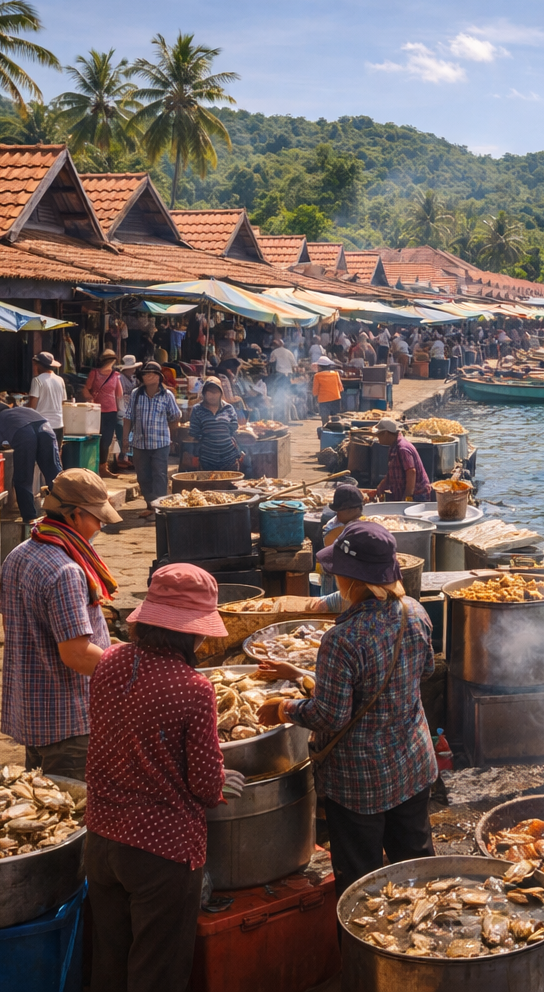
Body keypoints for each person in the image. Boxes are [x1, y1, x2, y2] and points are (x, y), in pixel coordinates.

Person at [85, 564, 246, 992]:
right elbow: (206, 786)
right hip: (158, 850)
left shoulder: (111, 661)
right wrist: (221, 782)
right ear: (193, 632)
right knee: (157, 970)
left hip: (101, 838)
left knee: (110, 962)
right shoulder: (193, 687)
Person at [256, 521, 436, 893]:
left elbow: (330, 715)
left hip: (361, 784)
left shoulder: (342, 638)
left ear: (353, 580)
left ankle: (366, 951)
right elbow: (424, 670)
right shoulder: (414, 612)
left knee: (362, 888)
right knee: (419, 874)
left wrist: (283, 708)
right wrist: (301, 673)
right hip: (413, 767)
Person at [0, 469, 121, 780]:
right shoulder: (66, 569)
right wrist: (131, 668)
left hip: (33, 716)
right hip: (69, 724)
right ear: (75, 515)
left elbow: (35, 629)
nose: (101, 525)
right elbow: (76, 655)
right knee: (79, 817)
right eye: (97, 518)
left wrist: (112, 645)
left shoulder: (17, 555)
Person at [121, 361, 180, 519]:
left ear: (159, 377)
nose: (148, 377)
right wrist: (125, 439)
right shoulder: (136, 394)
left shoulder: (167, 395)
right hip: (140, 443)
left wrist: (173, 438)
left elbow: (175, 416)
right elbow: (128, 417)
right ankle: (150, 504)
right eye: (145, 374)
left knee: (159, 475)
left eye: (152, 374)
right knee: (143, 475)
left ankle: (159, 508)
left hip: (160, 443)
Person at [0, 404, 63, 522]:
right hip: (47, 430)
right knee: (55, 476)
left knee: (23, 479)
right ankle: (65, 512)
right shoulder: (24, 409)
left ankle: (30, 518)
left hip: (24, 435)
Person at [84, 350, 125, 478]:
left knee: (106, 440)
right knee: (95, 439)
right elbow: (86, 389)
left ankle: (102, 467)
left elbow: (119, 394)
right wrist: (91, 399)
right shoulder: (94, 373)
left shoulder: (115, 375)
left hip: (111, 411)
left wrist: (120, 411)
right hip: (96, 411)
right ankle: (93, 466)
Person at [188, 378, 242, 473]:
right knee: (209, 486)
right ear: (204, 393)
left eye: (216, 392)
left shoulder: (228, 408)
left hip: (229, 457)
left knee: (230, 485)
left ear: (221, 393)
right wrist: (195, 455)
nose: (213, 395)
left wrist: (239, 452)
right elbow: (195, 433)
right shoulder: (197, 409)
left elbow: (234, 430)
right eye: (209, 392)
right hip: (207, 459)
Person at [372, 418, 431, 502]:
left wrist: (408, 497)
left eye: (379, 435)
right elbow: (392, 473)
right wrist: (381, 487)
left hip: (417, 494)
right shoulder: (393, 447)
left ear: (385, 433)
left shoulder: (402, 448)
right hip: (403, 492)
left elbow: (411, 472)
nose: (378, 438)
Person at [28, 350, 68, 444]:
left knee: (42, 456)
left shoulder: (37, 380)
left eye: (36, 365)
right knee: (55, 455)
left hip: (42, 425)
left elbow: (32, 407)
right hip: (58, 424)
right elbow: (62, 402)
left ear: (40, 366)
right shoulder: (60, 380)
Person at [115, 355, 140, 468]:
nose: (133, 370)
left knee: (131, 433)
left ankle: (127, 456)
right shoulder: (120, 378)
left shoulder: (133, 379)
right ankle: (122, 457)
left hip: (131, 407)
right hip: (122, 406)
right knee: (123, 432)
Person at [312, 356, 344, 426]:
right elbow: (341, 388)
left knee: (325, 419)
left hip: (323, 400)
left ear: (320, 367)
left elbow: (315, 391)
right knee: (335, 418)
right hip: (336, 398)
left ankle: (325, 431)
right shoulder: (336, 374)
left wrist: (314, 396)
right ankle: (336, 431)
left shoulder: (317, 376)